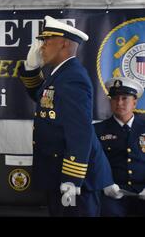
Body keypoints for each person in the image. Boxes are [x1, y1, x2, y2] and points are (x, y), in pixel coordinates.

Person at [19, 15, 113, 216]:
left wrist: (72, 178)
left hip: (74, 178)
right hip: (57, 172)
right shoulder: (60, 73)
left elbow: (80, 131)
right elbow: (42, 98)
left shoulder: (72, 78)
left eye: (47, 41)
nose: (41, 46)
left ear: (64, 44)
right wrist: (31, 69)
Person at [94, 76, 145, 216]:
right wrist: (105, 184)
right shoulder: (97, 131)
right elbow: (91, 164)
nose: (119, 102)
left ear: (134, 102)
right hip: (112, 194)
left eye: (125, 98)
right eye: (115, 98)